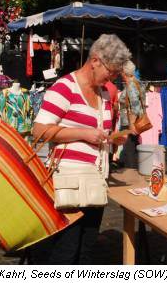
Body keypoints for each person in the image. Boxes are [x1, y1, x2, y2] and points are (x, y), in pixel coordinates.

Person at [31, 34, 131, 264]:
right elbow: (39, 131)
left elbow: (100, 133)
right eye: (112, 71)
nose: (113, 78)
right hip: (69, 183)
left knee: (85, 252)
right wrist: (83, 134)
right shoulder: (65, 87)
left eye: (117, 73)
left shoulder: (104, 93)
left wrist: (114, 139)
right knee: (65, 253)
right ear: (95, 61)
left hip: (95, 183)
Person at [118, 60, 145, 168]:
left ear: (124, 72)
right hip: (135, 121)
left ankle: (131, 175)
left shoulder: (131, 86)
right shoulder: (138, 83)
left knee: (129, 149)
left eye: (121, 72)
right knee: (133, 147)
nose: (120, 74)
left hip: (130, 123)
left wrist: (131, 124)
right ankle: (134, 170)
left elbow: (135, 106)